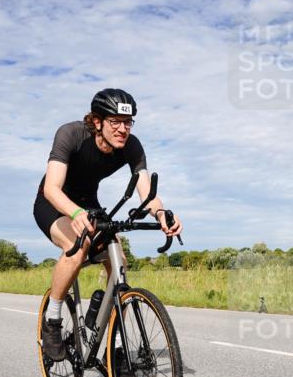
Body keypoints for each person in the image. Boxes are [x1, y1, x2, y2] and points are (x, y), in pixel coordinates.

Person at [34, 88, 182, 360]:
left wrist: (161, 214)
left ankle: (113, 344)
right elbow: (52, 189)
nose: (123, 129)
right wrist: (76, 214)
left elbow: (147, 193)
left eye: (128, 122)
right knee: (77, 248)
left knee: (120, 264)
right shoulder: (71, 134)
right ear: (97, 121)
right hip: (53, 204)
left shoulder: (132, 147)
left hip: (89, 205)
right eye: (115, 122)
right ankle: (52, 321)